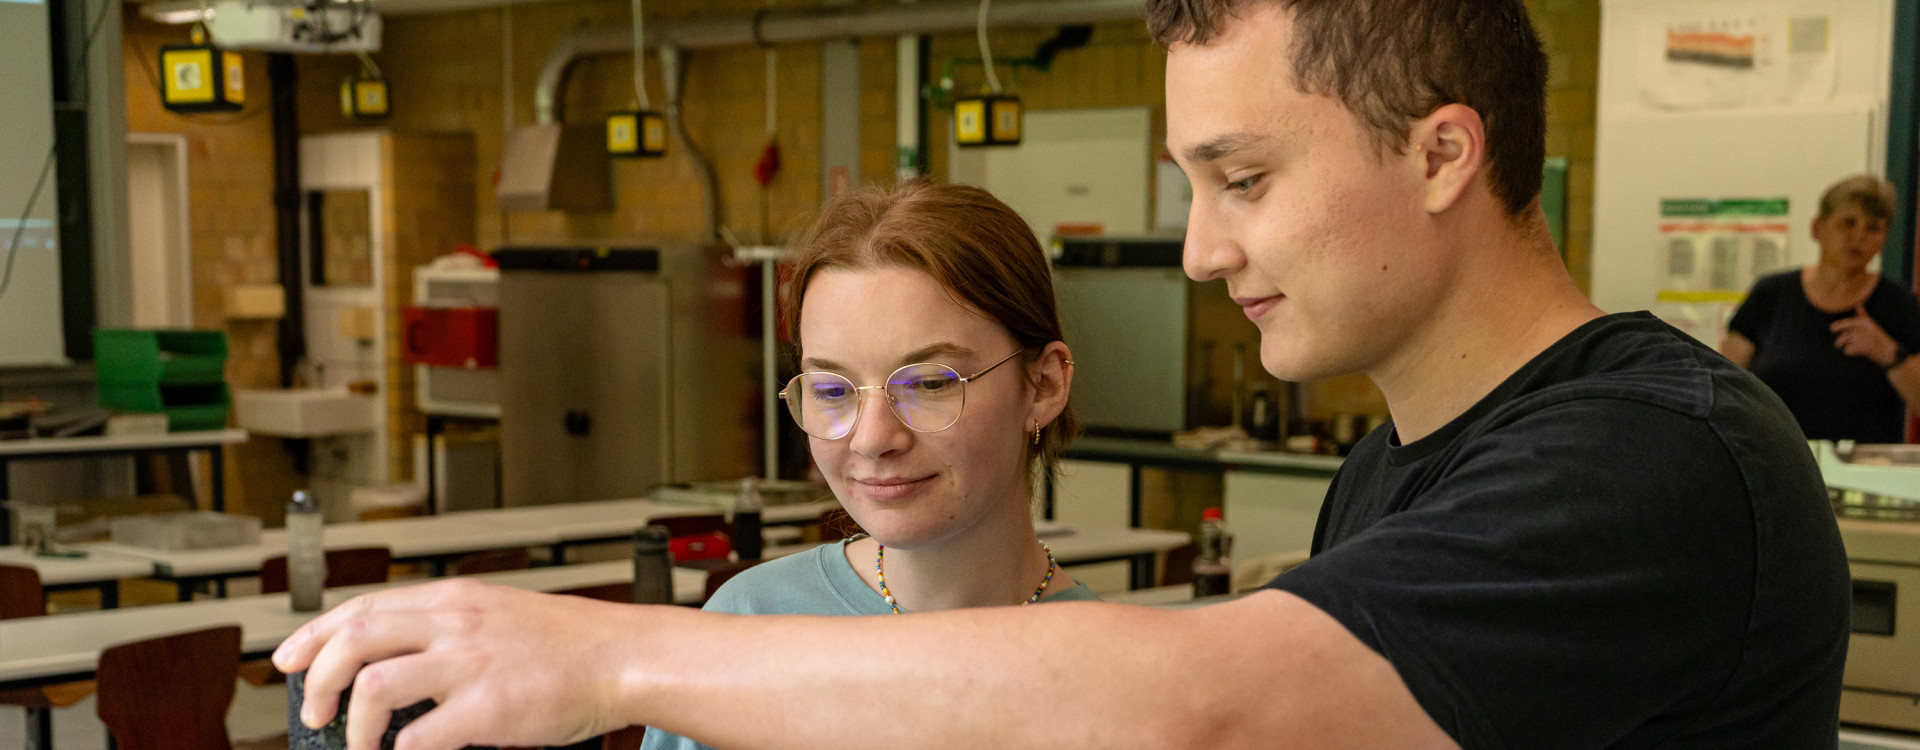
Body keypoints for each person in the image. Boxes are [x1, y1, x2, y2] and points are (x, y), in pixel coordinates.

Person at [274, 1, 1849, 748]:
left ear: (1442, 154)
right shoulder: (1396, 468)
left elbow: (1203, 700)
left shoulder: (1653, 454)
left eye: (1243, 179)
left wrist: (611, 655)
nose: (1203, 250)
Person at [638, 181, 1096, 749]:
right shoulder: (745, 631)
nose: (873, 438)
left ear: (1044, 385)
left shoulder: (1117, 674)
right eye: (833, 390)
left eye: (930, 383)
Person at [1719, 174, 1920, 443]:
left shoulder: (1898, 304)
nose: (1859, 237)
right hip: (1774, 457)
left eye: (1873, 228)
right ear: (1817, 228)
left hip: (1862, 465)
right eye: (1848, 223)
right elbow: (1724, 387)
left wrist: (1888, 353)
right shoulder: (1770, 295)